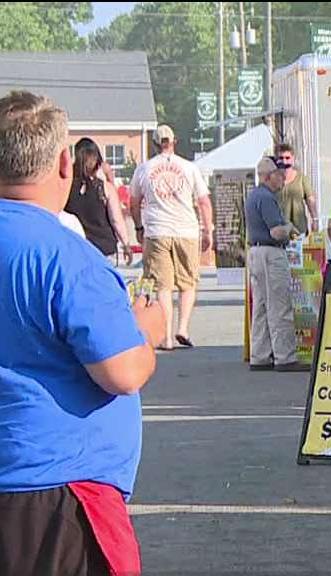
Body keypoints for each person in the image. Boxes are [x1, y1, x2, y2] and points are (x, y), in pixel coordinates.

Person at [0, 90, 165, 576]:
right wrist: (147, 330)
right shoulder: (65, 256)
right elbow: (123, 371)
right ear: (64, 165)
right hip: (59, 494)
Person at [130, 124, 214, 351]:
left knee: (162, 286)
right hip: (186, 230)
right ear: (174, 142)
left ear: (156, 144)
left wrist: (139, 227)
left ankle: (166, 337)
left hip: (157, 230)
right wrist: (208, 229)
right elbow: (203, 201)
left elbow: (134, 202)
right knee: (188, 283)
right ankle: (183, 328)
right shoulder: (189, 168)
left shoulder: (144, 169)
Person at [245, 157, 306, 373]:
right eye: (279, 175)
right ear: (268, 176)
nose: (282, 179)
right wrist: (289, 226)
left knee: (261, 306)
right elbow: (276, 231)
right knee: (279, 305)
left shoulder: (253, 196)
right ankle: (285, 357)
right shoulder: (267, 198)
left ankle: (259, 355)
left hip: (255, 251)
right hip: (271, 254)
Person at [65, 137, 133, 266]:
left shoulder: (66, 188)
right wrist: (126, 244)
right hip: (104, 249)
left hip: (75, 249)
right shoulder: (105, 188)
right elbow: (116, 221)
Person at [274, 143, 318, 235]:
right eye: (281, 158)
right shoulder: (272, 181)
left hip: (299, 230)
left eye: (287, 158)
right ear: (277, 160)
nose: (285, 162)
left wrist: (315, 220)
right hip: (279, 232)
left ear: (293, 159)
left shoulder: (302, 178)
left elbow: (310, 200)